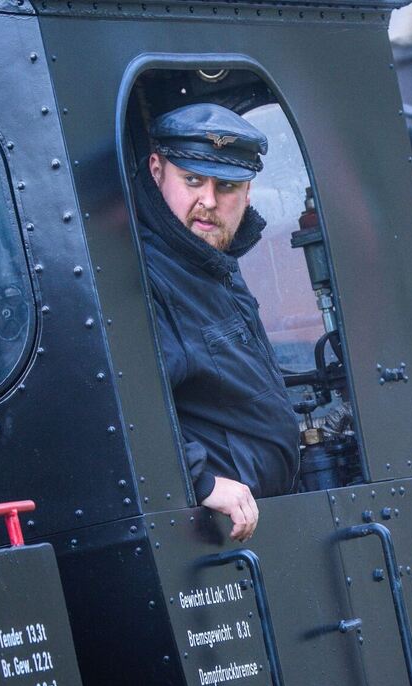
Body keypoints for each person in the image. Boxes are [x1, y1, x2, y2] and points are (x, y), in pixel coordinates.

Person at [134, 103, 300, 542]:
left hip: (255, 525)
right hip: (211, 535)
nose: (207, 200)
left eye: (226, 185)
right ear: (157, 170)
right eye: (192, 180)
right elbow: (124, 405)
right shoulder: (145, 275)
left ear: (248, 193)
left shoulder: (211, 260)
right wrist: (199, 482)